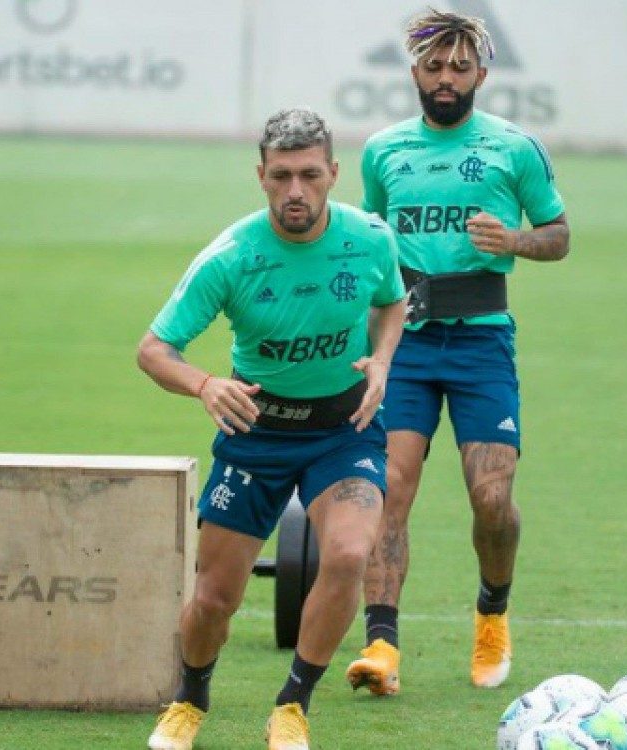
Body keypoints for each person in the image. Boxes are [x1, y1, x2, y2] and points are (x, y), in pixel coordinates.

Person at [138, 108, 406, 750]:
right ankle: (189, 699)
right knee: (214, 598)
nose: (295, 191)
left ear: (333, 174)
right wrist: (205, 384)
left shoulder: (370, 239)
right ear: (261, 176)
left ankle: (292, 705)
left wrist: (383, 362)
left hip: (345, 428)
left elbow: (392, 302)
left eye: (310, 175)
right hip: (256, 433)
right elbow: (153, 349)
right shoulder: (231, 257)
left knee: (346, 554)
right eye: (281, 176)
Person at [344, 8, 569, 696]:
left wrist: (516, 242)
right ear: (414, 71)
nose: (447, 79)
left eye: (460, 67)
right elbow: (376, 244)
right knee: (389, 492)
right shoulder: (383, 151)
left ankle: (492, 614)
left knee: (493, 499)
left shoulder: (513, 149)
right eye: (435, 67)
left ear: (482, 73)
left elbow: (558, 234)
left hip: (480, 345)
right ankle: (382, 646)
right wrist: (365, 343)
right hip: (405, 345)